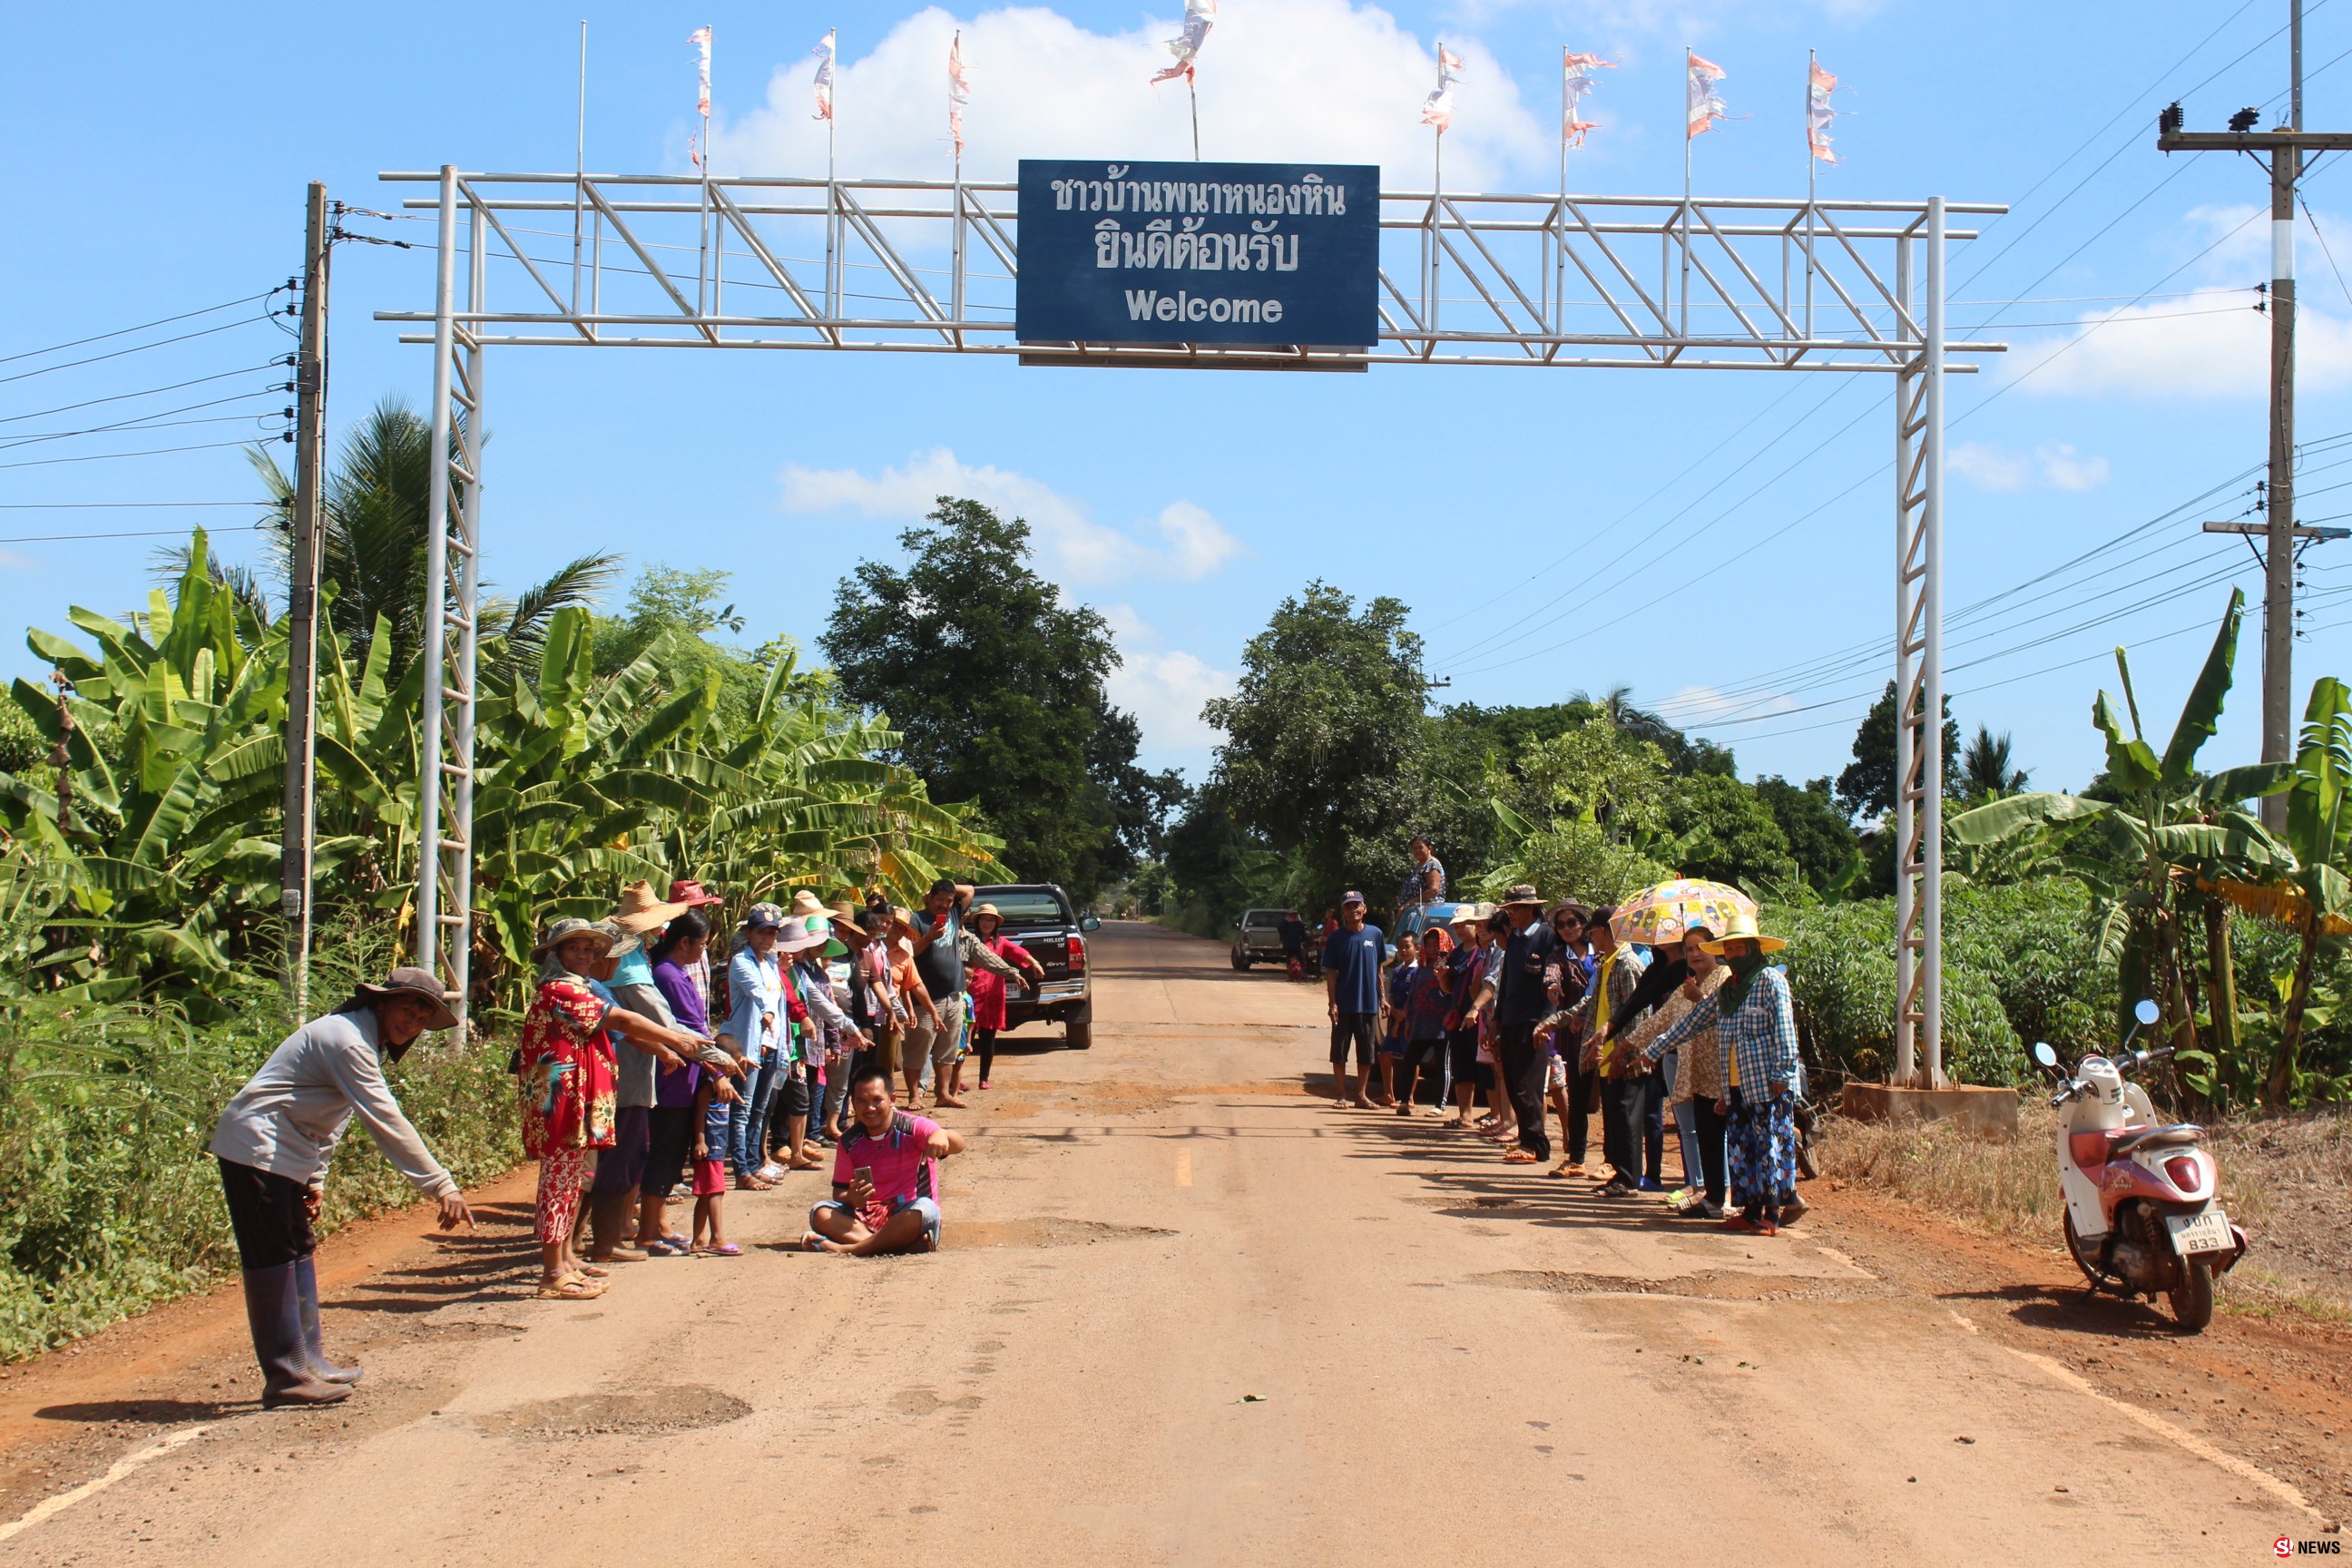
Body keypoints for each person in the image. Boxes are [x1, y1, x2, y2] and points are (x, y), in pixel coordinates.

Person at [210, 966, 476, 1407]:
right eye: (407, 1009)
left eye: (421, 1019)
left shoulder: (362, 1041)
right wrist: (441, 1185)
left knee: (297, 1248)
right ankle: (286, 1376)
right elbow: (384, 1118)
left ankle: (310, 1361)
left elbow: (334, 1120)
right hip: (257, 1148)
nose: (411, 1023)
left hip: (286, 1154)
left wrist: (314, 1179)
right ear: (380, 1002)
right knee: (273, 1257)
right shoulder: (346, 1039)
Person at [519, 917, 705, 1299]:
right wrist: (675, 1037)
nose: (585, 955)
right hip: (561, 1103)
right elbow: (620, 1018)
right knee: (560, 1182)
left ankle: (566, 1259)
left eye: (590, 949)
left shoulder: (578, 988)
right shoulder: (560, 990)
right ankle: (553, 1271)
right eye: (575, 948)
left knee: (571, 1182)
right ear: (557, 954)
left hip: (576, 1101)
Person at [588, 880, 739, 1263]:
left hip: (638, 1068)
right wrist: (715, 1058)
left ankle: (614, 1234)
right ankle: (607, 1242)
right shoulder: (632, 967)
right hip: (627, 1075)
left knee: (628, 1157)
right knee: (621, 1159)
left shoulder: (639, 958)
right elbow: (663, 1021)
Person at [1650, 912, 1804, 1234]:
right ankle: (1750, 1212)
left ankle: (1772, 1216)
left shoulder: (1769, 980)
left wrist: (1782, 1074)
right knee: (1742, 1149)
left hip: (1767, 1083)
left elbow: (1785, 1032)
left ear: (1753, 948)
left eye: (1739, 949)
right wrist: (1652, 1049)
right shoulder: (1729, 990)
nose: (1733, 955)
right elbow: (1694, 1022)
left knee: (1768, 1148)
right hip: (1735, 1084)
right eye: (1729, 950)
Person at [804, 1064, 967, 1255]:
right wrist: (851, 1198)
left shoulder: (912, 1127)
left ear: (892, 1099)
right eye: (861, 1101)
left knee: (926, 1209)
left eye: (877, 1100)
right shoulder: (849, 1141)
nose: (869, 1108)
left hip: (908, 1215)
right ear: (853, 1103)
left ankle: (850, 1248)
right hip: (867, 1218)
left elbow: (959, 1145)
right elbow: (839, 1193)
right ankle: (896, 1245)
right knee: (820, 1212)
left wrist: (942, 1133)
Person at [1548, 905, 1647, 1196]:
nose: (1589, 937)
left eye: (1591, 931)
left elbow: (1636, 1014)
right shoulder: (1608, 964)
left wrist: (1624, 1053)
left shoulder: (1627, 965)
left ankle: (1628, 1179)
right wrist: (1553, 1022)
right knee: (1616, 1117)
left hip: (1622, 1057)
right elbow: (1590, 1005)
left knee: (1626, 1118)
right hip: (1607, 1055)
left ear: (1604, 932)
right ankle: (1620, 1175)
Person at [1633, 928, 1731, 1220]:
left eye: (1701, 947)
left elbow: (1721, 1016)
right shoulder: (1685, 985)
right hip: (1683, 1063)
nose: (1695, 954)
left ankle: (1723, 1190)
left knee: (1716, 1133)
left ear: (1716, 949)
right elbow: (1660, 1021)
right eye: (1689, 949)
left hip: (1716, 1067)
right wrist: (1630, 1045)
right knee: (1689, 1129)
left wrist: (1699, 997)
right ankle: (1696, 1184)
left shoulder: (1724, 978)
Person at [646, 910, 720, 1254]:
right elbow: (692, 1026)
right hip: (673, 1080)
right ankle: (650, 1227)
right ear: (684, 942)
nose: (704, 952)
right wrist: (719, 1067)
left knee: (669, 1154)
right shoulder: (669, 976)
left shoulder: (674, 972)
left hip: (685, 1075)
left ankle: (656, 1222)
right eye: (702, 945)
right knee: (664, 1152)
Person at [1488, 886, 1560, 1166]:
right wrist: (1496, 1020)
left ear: (1530, 908)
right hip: (1510, 1019)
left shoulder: (1546, 937)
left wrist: (1547, 1019)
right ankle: (1528, 1139)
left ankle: (1536, 1143)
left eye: (1515, 909)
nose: (1511, 915)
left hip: (1534, 1020)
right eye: (1509, 910)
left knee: (1528, 1084)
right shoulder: (1515, 939)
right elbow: (1506, 982)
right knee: (1514, 1080)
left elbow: (1554, 980)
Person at [721, 903, 792, 1187]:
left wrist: (783, 1046)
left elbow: (781, 1005)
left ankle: (754, 1162)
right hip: (749, 1046)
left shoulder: (772, 964)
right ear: (749, 932)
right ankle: (742, 1171)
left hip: (773, 1044)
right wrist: (767, 1012)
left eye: (773, 932)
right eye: (762, 931)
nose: (768, 937)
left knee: (760, 1111)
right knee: (743, 1110)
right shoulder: (742, 962)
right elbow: (757, 992)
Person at [905, 878, 977, 1109]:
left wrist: (948, 889)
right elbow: (911, 952)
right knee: (918, 1049)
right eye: (940, 900)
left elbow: (970, 891)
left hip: (954, 994)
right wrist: (929, 937)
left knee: (948, 1049)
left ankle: (943, 1094)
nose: (944, 905)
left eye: (948, 901)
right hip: (926, 999)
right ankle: (914, 1095)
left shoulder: (954, 913)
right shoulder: (917, 919)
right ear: (929, 898)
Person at [965, 903, 1046, 1091]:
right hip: (969, 997)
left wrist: (1034, 963)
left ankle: (983, 1078)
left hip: (992, 998)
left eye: (991, 920)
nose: (987, 923)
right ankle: (955, 1079)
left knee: (988, 1039)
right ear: (978, 921)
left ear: (996, 923)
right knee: (963, 1040)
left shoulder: (1000, 942)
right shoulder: (969, 940)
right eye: (984, 919)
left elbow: (1019, 953)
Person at [1542, 902, 1596, 1178]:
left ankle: (1614, 1161)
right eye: (1561, 924)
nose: (1567, 929)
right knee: (1577, 1098)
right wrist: (1552, 987)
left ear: (1584, 924)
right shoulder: (1556, 957)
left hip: (1604, 1033)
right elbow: (1551, 977)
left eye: (1572, 922)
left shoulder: (1601, 955)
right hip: (1574, 1036)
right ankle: (1577, 1158)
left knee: (1610, 1100)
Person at [1321, 891, 1387, 1110]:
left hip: (1368, 1004)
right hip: (1344, 1004)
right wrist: (1332, 1003)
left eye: (1356, 905)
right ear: (1343, 912)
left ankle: (1361, 1095)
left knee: (1366, 1054)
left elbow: (1379, 968)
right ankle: (1341, 1095)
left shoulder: (1375, 934)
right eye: (1348, 907)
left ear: (1364, 909)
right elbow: (1331, 972)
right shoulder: (1336, 938)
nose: (1353, 910)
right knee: (1339, 1052)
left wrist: (1382, 997)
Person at [1439, 904, 1491, 1130]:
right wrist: (1441, 976)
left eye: (1465, 924)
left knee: (1486, 1067)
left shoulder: (1486, 951)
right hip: (1458, 1016)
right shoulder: (1456, 953)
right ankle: (1465, 1116)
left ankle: (1496, 1115)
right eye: (1457, 926)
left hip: (1482, 1018)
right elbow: (1449, 988)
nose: (1460, 930)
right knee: (1462, 1067)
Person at [1395, 926, 1453, 1115]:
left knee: (1442, 1065)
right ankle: (1404, 1101)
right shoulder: (1420, 969)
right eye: (1428, 945)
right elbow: (1412, 995)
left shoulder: (1447, 969)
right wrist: (1408, 1020)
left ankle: (1440, 1105)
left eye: (1436, 945)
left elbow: (1452, 993)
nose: (1432, 949)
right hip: (1420, 1024)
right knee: (1409, 1061)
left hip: (1442, 1025)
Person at [688, 1063, 740, 1256]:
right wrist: (700, 1141)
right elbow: (700, 1113)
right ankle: (717, 1238)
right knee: (716, 1191)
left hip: (718, 1145)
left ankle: (698, 1239)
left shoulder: (724, 1085)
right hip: (710, 1147)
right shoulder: (709, 1085)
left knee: (705, 1193)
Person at [1377, 933, 1416, 1106]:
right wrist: (1393, 1010)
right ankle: (1388, 1094)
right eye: (1401, 947)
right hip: (1395, 1019)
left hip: (1409, 1021)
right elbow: (1392, 994)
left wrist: (1403, 1015)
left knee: (1411, 1058)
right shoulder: (1399, 969)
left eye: (1408, 946)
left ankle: (1409, 1097)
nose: (1404, 950)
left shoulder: (1417, 971)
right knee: (1384, 1054)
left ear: (1417, 948)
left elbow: (1413, 996)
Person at [1396, 835, 1446, 927]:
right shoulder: (1419, 866)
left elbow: (1434, 890)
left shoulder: (1432, 864)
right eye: (1414, 848)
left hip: (1427, 913)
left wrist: (1409, 903)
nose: (1417, 850)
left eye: (1420, 847)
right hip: (1417, 912)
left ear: (1429, 848)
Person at [1277, 909, 1308, 981]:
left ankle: (1300, 975)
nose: (1294, 915)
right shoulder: (1285, 922)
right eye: (1292, 914)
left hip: (1297, 944)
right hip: (1289, 944)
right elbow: (1279, 928)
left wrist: (1305, 940)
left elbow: (1303, 933)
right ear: (1289, 915)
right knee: (1289, 960)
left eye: (1295, 914)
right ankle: (1291, 977)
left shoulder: (1298, 923)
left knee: (1299, 959)